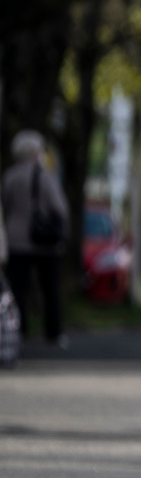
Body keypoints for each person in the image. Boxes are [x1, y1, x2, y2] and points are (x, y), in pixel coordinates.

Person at [3, 131, 69, 347]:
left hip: (15, 241)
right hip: (44, 243)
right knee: (50, 289)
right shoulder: (45, 177)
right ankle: (53, 333)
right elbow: (59, 209)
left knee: (17, 289)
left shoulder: (9, 177)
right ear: (35, 152)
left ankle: (18, 331)